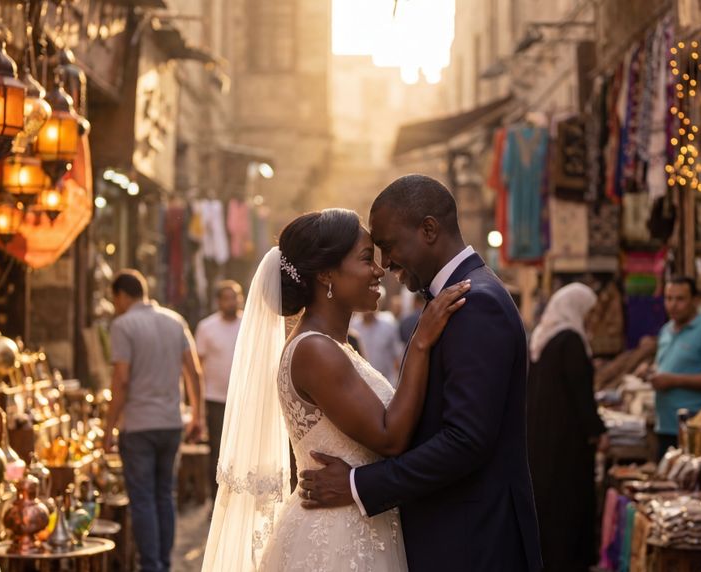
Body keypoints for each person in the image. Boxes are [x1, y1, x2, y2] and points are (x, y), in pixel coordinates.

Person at [201, 208, 468, 571]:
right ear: (326, 273)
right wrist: (420, 343)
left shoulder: (334, 346)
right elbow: (389, 437)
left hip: (359, 525)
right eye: (365, 259)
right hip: (336, 540)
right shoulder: (315, 350)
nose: (378, 270)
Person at [298, 175, 542, 571]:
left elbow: (466, 440)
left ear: (429, 229)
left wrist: (360, 485)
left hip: (474, 542)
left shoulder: (476, 303)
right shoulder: (455, 301)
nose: (386, 263)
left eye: (390, 246)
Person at [104, 270, 202, 572]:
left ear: (122, 295)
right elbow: (193, 372)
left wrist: (108, 427)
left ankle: (151, 565)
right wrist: (196, 415)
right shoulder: (174, 321)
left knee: (144, 498)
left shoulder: (123, 325)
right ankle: (163, 563)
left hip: (139, 425)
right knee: (164, 495)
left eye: (114, 299)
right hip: (171, 422)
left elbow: (121, 380)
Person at [527, 283, 608, 572]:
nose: (591, 318)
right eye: (589, 311)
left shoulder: (542, 337)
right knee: (569, 503)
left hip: (543, 440)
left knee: (550, 502)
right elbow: (581, 396)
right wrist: (598, 431)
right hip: (568, 442)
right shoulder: (570, 340)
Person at [647, 276, 701, 458]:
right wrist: (653, 373)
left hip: (695, 429)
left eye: (680, 299)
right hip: (665, 425)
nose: (673, 305)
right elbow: (666, 365)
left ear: (695, 300)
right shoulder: (666, 330)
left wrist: (674, 380)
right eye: (669, 298)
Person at [193, 280, 243, 499]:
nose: (231, 302)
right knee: (217, 450)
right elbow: (198, 366)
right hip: (215, 399)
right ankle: (216, 501)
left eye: (235, 297)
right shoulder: (206, 327)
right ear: (218, 302)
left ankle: (239, 499)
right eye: (226, 298)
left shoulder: (249, 324)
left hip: (243, 399)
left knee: (242, 450)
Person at [348, 288, 404, 383]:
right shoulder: (353, 326)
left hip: (387, 382)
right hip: (362, 383)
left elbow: (397, 355)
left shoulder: (389, 324)